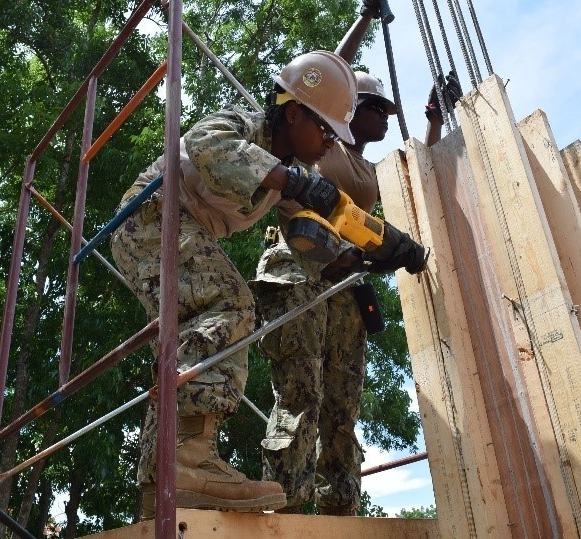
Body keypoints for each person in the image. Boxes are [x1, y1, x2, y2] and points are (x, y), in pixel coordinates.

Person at [110, 50, 360, 519]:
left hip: (165, 229)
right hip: (149, 215)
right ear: (292, 114)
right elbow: (206, 144)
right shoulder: (243, 126)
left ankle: (160, 474)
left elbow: (310, 234)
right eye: (325, 129)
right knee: (230, 303)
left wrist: (366, 256)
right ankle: (189, 458)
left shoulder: (282, 179)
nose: (330, 144)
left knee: (188, 336)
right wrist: (293, 180)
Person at [250, 2, 425, 516]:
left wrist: (436, 123)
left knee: (342, 408)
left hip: (344, 284)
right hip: (299, 266)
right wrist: (366, 17)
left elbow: (372, 222)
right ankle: (283, 509)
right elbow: (323, 78)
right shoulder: (322, 144)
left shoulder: (368, 172)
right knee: (301, 393)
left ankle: (339, 511)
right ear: (350, 109)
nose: (385, 118)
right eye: (378, 108)